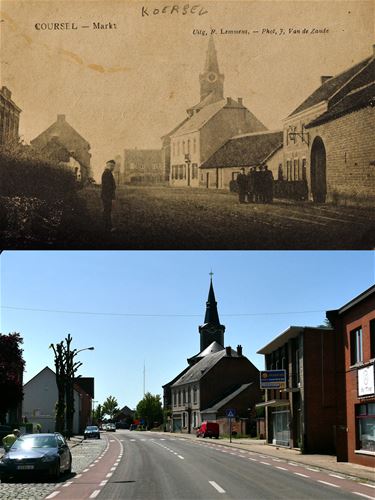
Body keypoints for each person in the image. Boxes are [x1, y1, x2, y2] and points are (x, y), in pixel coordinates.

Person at [101, 160, 117, 232]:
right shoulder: (107, 173)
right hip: (107, 196)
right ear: (108, 165)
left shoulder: (107, 173)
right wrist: (112, 197)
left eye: (113, 166)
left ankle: (106, 226)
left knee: (106, 211)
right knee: (107, 211)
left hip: (106, 195)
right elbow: (108, 187)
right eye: (111, 165)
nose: (112, 167)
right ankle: (108, 227)